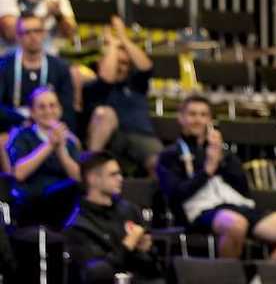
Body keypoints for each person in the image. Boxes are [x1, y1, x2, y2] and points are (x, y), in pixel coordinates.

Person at [157, 95, 276, 260]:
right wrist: (207, 170)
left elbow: (243, 189)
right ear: (181, 118)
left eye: (203, 115)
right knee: (236, 224)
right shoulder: (170, 155)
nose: (198, 119)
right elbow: (175, 195)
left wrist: (222, 160)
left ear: (210, 119)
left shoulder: (223, 153)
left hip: (238, 207)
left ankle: (259, 279)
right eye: (192, 114)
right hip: (199, 212)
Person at [64, 151, 164, 283]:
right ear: (93, 179)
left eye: (120, 173)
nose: (120, 178)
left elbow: (153, 266)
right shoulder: (79, 226)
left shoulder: (129, 210)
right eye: (113, 174)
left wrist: (147, 250)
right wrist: (128, 245)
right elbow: (95, 273)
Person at [82, 16, 162, 175]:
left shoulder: (136, 84)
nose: (120, 68)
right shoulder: (94, 86)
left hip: (140, 136)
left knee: (160, 163)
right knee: (105, 114)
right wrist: (112, 45)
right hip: (110, 138)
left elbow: (146, 67)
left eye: (124, 63)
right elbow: (106, 78)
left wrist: (123, 38)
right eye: (116, 62)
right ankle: (89, 170)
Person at [0, 14, 78, 173]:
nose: (33, 36)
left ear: (44, 34)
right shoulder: (4, 65)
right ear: (18, 36)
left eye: (37, 31)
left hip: (51, 124)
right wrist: (26, 118)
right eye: (27, 32)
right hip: (13, 126)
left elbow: (67, 107)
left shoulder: (59, 67)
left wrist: (50, 124)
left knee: (73, 142)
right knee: (3, 142)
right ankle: (11, 189)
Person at [6, 86, 82, 227]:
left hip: (63, 199)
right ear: (32, 112)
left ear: (60, 110)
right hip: (32, 199)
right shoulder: (22, 136)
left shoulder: (70, 141)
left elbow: (78, 177)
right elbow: (19, 173)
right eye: (41, 107)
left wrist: (61, 150)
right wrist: (49, 146)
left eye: (52, 106)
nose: (48, 111)